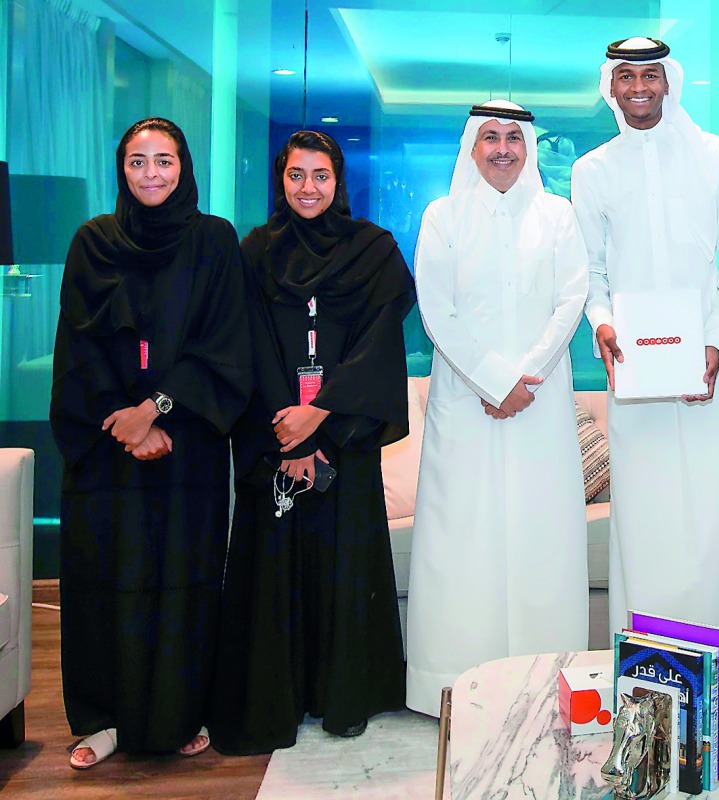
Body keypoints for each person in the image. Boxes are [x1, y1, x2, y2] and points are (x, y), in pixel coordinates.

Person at [50, 117, 252, 768]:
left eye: (164, 160)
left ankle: (179, 715)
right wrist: (126, 421)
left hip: (185, 444)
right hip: (108, 448)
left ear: (183, 166)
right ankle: (103, 720)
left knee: (181, 581)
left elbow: (226, 342)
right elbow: (77, 346)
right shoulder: (93, 241)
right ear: (122, 170)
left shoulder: (214, 241)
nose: (151, 174)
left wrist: (158, 409)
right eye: (138, 162)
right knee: (103, 579)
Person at [209, 130, 415, 752]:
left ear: (339, 181)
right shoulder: (254, 252)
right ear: (281, 181)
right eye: (296, 176)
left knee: (344, 567)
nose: (308, 188)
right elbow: (246, 345)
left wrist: (321, 416)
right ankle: (281, 694)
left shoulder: (373, 250)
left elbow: (380, 343)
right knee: (274, 569)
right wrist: (290, 437)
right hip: (277, 440)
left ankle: (341, 695)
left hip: (343, 442)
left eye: (320, 176)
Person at [571, 38, 719, 657]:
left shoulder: (715, 157)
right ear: (611, 87)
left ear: (669, 82)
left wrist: (713, 345)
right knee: (650, 523)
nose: (638, 87)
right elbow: (591, 270)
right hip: (635, 373)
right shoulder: (593, 169)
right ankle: (653, 669)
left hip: (708, 368)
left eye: (650, 76)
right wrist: (603, 323)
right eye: (626, 76)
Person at [405, 100, 590, 715]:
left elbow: (572, 299)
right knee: (464, 540)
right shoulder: (443, 216)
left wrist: (523, 377)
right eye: (491, 138)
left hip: (538, 403)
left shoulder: (558, 215)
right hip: (465, 403)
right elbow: (436, 309)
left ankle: (546, 684)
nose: (504, 148)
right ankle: (452, 685)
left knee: (543, 537)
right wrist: (492, 381)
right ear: (472, 147)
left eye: (514, 137)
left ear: (528, 146)